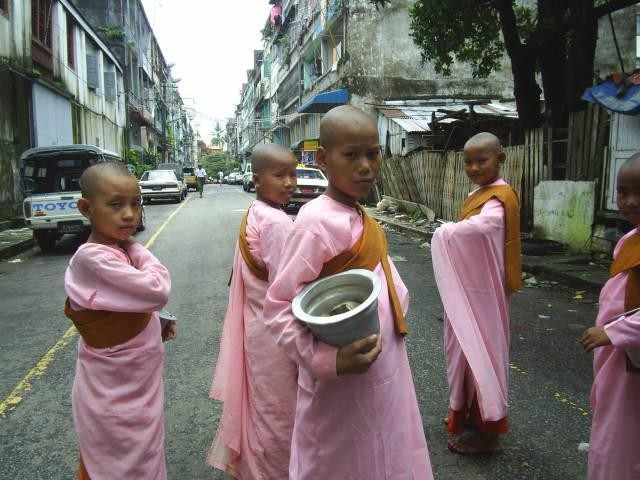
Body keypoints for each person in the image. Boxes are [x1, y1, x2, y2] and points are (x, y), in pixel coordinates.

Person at [263, 105, 434, 479]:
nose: (365, 166)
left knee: (386, 449)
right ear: (323, 159)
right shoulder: (314, 222)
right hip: (340, 378)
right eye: (351, 155)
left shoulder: (359, 214)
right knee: (343, 461)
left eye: (373, 154)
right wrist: (328, 360)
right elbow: (277, 307)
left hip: (383, 364)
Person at [63, 162, 174, 479]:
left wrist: (156, 320)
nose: (129, 214)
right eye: (116, 205)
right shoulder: (93, 257)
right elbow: (156, 289)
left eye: (135, 204)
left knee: (144, 453)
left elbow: (125, 302)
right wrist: (137, 247)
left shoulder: (113, 249)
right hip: (115, 391)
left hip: (136, 383)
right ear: (87, 208)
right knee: (123, 462)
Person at [207, 144, 299, 479]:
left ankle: (255, 465)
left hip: (257, 326)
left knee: (263, 404)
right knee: (280, 409)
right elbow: (291, 284)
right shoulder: (276, 221)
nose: (289, 182)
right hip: (276, 333)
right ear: (257, 180)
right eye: (280, 175)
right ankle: (275, 471)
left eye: (293, 174)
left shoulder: (256, 211)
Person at [431, 132, 521, 455]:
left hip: (486, 294)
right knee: (466, 350)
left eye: (481, 160)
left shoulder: (500, 196)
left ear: (501, 158)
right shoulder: (481, 192)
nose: (473, 167)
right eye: (468, 162)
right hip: (474, 288)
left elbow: (484, 229)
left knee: (483, 350)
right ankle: (467, 412)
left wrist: (445, 233)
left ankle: (489, 431)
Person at [581, 153, 640, 480]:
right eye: (623, 191)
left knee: (622, 445)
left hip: (631, 363)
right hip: (618, 362)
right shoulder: (630, 239)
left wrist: (614, 332)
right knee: (610, 433)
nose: (630, 202)